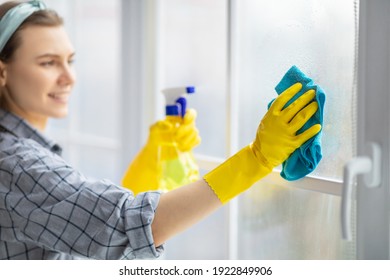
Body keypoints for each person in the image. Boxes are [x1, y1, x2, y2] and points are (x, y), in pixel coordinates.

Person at [0, 1, 321, 260]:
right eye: (48, 63)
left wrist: (144, 180)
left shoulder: (21, 151)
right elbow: (138, 226)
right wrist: (256, 159)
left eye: (70, 60)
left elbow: (80, 239)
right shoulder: (16, 163)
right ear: (3, 73)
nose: (69, 77)